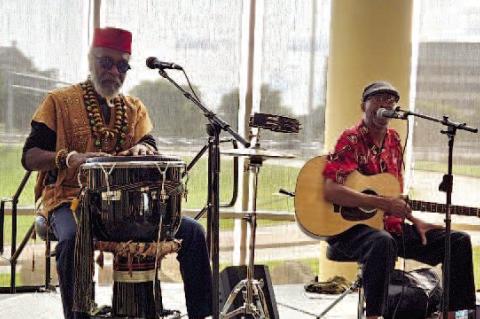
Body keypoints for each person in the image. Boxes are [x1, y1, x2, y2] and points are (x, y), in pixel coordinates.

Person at [22, 27, 212, 319]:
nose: (114, 71)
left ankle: (204, 314)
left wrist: (145, 149)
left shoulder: (134, 108)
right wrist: (69, 158)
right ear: (90, 60)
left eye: (122, 65)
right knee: (72, 240)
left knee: (193, 232)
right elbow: (30, 156)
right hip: (68, 201)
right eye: (105, 62)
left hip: (126, 211)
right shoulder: (58, 102)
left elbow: (149, 144)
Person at [322, 81, 476, 319]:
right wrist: (382, 204)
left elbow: (391, 195)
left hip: (388, 227)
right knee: (382, 242)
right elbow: (331, 191)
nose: (386, 103)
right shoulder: (351, 139)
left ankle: (454, 314)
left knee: (456, 241)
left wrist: (414, 219)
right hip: (350, 230)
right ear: (363, 104)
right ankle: (375, 316)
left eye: (391, 99)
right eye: (379, 97)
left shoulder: (394, 140)